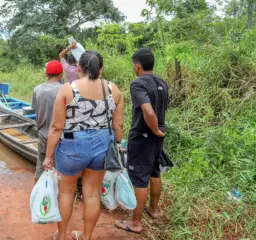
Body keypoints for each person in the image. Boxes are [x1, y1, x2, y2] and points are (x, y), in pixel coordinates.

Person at [43, 51, 124, 240]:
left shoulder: (67, 89)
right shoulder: (114, 90)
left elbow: (56, 128)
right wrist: (117, 146)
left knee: (66, 192)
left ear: (79, 68)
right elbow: (118, 126)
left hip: (72, 145)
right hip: (103, 145)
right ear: (101, 69)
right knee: (92, 194)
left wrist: (48, 156)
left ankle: (61, 236)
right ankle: (86, 237)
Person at [114, 48, 169, 234]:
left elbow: (148, 111)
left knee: (139, 179)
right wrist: (158, 131)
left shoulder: (138, 84)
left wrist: (152, 128)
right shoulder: (162, 82)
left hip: (143, 137)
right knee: (154, 172)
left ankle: (135, 222)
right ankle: (153, 209)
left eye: (133, 65)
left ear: (137, 66)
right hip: (158, 137)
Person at [32, 60, 63, 182]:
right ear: (61, 74)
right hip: (58, 136)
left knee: (40, 163)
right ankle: (54, 196)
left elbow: (35, 109)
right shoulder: (64, 89)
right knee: (57, 166)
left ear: (46, 74)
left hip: (42, 133)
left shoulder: (37, 89)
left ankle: (37, 194)